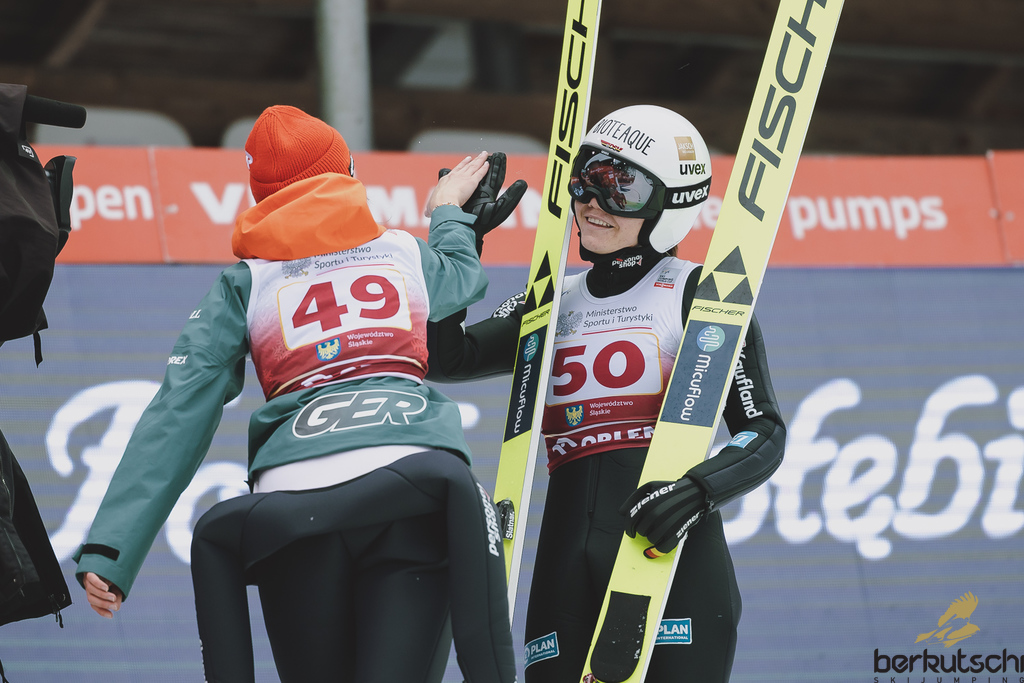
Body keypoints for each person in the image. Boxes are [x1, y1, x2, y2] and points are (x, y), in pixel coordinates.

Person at [74, 104, 523, 683]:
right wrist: (448, 215)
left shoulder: (244, 282)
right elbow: (461, 279)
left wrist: (112, 547)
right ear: (349, 172)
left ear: (260, 197)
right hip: (411, 478)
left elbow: (177, 415)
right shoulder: (402, 251)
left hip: (289, 506)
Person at [427, 104, 787, 682]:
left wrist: (697, 492)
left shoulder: (696, 292)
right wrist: (458, 239)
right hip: (564, 564)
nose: (591, 202)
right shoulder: (551, 301)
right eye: (584, 179)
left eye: (621, 187)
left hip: (668, 555)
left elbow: (761, 430)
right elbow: (446, 357)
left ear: (670, 205)